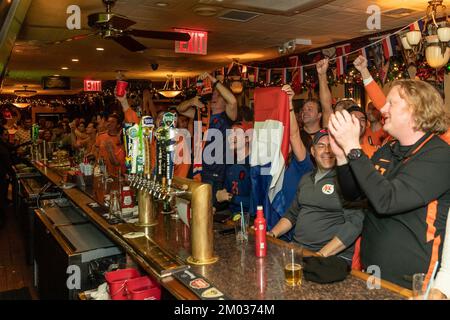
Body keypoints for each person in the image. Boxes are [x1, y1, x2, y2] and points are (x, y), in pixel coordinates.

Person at [328, 79, 450, 290]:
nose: (382, 108)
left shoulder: (440, 155)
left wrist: (353, 148)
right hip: (373, 271)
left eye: (390, 103)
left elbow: (387, 200)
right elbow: (354, 195)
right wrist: (342, 157)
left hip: (412, 281)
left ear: (415, 109)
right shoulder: (389, 149)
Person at [268, 130, 364, 264]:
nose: (327, 150)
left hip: (330, 257)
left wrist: (320, 255)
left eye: (331, 145)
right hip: (298, 249)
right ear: (313, 151)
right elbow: (292, 214)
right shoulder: (305, 179)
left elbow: (355, 223)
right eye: (321, 146)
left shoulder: (346, 181)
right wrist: (271, 234)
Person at [177, 72, 238, 205]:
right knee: (196, 207)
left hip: (217, 174)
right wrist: (192, 101)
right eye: (213, 94)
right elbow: (180, 109)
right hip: (198, 171)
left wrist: (213, 80)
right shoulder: (201, 115)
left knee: (210, 208)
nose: (214, 96)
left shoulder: (227, 116)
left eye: (218, 95)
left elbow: (232, 100)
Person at [216, 123, 252, 214]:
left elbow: (257, 203)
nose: (232, 137)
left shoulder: (255, 166)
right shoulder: (230, 165)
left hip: (249, 219)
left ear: (247, 138)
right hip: (231, 216)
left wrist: (229, 197)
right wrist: (214, 206)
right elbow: (226, 194)